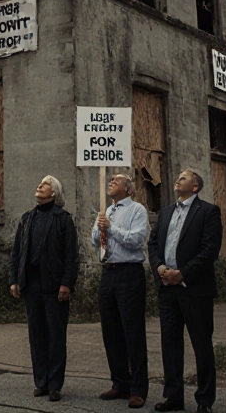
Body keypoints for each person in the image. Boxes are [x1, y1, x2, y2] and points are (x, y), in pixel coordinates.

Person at [147, 169, 222, 413]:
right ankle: (173, 396)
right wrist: (159, 268)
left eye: (185, 176)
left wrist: (183, 273)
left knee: (201, 344)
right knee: (170, 344)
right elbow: (154, 244)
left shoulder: (208, 211)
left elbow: (209, 249)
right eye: (177, 175)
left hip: (194, 288)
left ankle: (204, 400)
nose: (178, 177)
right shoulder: (165, 212)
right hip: (167, 288)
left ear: (195, 187)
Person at [9, 175, 79, 402]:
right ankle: (41, 381)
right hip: (32, 284)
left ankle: (55, 384)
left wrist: (67, 283)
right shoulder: (28, 218)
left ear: (54, 193)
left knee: (55, 335)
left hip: (54, 285)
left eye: (46, 184)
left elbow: (71, 255)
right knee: (36, 334)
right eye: (39, 183)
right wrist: (14, 279)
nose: (40, 186)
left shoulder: (63, 219)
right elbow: (17, 252)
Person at [91, 173, 150, 409]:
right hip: (108, 272)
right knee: (111, 331)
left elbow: (136, 240)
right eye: (111, 178)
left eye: (118, 180)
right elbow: (95, 240)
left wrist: (111, 228)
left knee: (132, 332)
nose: (112, 181)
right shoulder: (106, 211)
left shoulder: (137, 210)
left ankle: (138, 388)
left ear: (128, 189)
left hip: (129, 273)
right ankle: (119, 382)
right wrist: (100, 229)